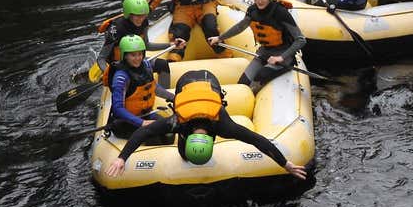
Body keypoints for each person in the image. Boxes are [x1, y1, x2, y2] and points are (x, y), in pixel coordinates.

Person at [105, 69, 307, 180]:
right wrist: (121, 158)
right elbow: (256, 140)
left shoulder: (222, 124)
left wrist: (285, 164)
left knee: (184, 154)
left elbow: (258, 140)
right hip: (189, 82)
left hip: (210, 82)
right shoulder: (183, 122)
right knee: (185, 156)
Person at [207, 0, 306, 93]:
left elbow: (301, 40)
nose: (259, 1)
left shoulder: (281, 13)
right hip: (264, 52)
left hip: (283, 56)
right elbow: (240, 27)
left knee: (260, 76)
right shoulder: (252, 10)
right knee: (243, 82)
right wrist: (219, 38)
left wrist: (280, 57)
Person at [82, 0, 183, 89]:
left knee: (163, 65)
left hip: (135, 61)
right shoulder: (116, 29)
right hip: (118, 65)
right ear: (129, 14)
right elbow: (101, 58)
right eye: (137, 15)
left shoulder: (144, 22)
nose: (141, 19)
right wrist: (109, 73)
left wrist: (171, 45)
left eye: (143, 15)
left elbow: (146, 45)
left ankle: (163, 98)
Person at [106, 35, 177, 138]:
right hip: (126, 122)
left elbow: (154, 87)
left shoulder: (146, 66)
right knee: (159, 135)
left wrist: (173, 98)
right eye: (133, 55)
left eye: (140, 54)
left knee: (170, 130)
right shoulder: (121, 78)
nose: (138, 58)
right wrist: (141, 123)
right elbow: (118, 109)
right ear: (125, 56)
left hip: (146, 115)